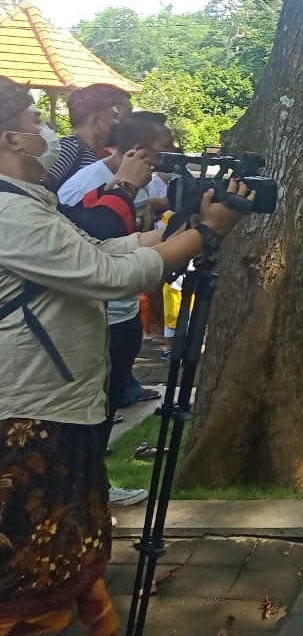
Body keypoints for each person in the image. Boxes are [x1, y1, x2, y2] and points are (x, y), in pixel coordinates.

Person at [0, 76, 247, 636]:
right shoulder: (8, 210)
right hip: (27, 403)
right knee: (20, 538)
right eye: (34, 120)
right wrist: (204, 234)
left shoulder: (24, 198)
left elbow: (93, 246)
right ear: (10, 137)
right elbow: (103, 275)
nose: (45, 131)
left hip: (52, 395)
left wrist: (173, 231)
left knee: (47, 534)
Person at [59, 112, 177, 505]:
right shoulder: (84, 185)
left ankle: (98, 486)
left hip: (124, 312)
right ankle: (77, 491)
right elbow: (80, 246)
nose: (169, 157)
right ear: (136, 151)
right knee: (86, 408)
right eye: (163, 150)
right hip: (92, 314)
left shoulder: (149, 179)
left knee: (109, 404)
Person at [44, 83, 130, 194]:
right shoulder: (70, 148)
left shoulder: (88, 154)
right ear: (95, 120)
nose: (121, 124)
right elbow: (41, 187)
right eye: (116, 117)